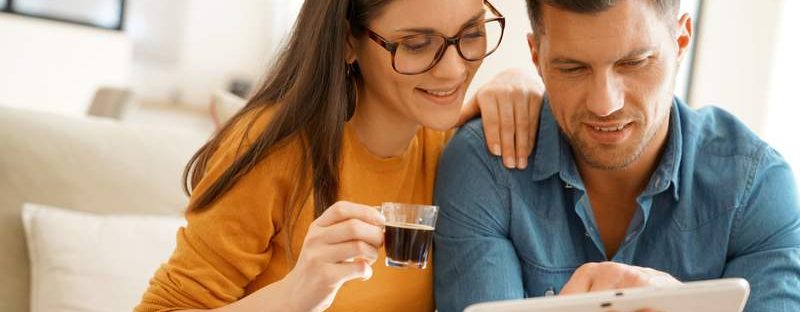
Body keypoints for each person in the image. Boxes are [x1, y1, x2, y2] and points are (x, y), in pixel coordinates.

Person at [135, 0, 546, 311]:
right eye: (417, 44)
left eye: (472, 34)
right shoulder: (274, 148)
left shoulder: (455, 148)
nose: (453, 70)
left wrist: (521, 82)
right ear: (349, 40)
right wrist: (295, 294)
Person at [433, 0, 800, 311]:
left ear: (681, 41)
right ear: (536, 57)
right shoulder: (485, 164)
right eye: (572, 68)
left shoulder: (754, 185)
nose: (604, 104)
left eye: (634, 63)